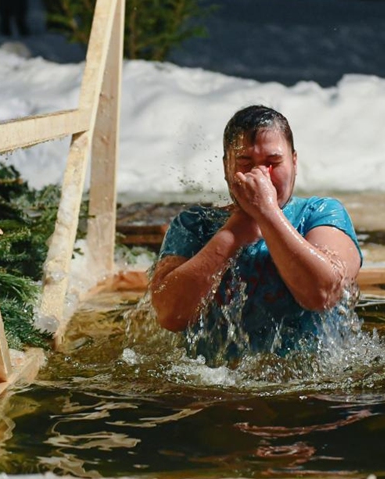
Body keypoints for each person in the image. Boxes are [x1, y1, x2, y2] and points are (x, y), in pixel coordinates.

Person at [149, 105, 362, 363]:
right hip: (216, 383)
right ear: (226, 166)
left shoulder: (320, 213)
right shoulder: (194, 225)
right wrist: (232, 235)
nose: (260, 175)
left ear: (294, 162)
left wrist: (268, 215)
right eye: (245, 163)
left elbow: (322, 294)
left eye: (273, 162)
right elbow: (169, 315)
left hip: (311, 385)